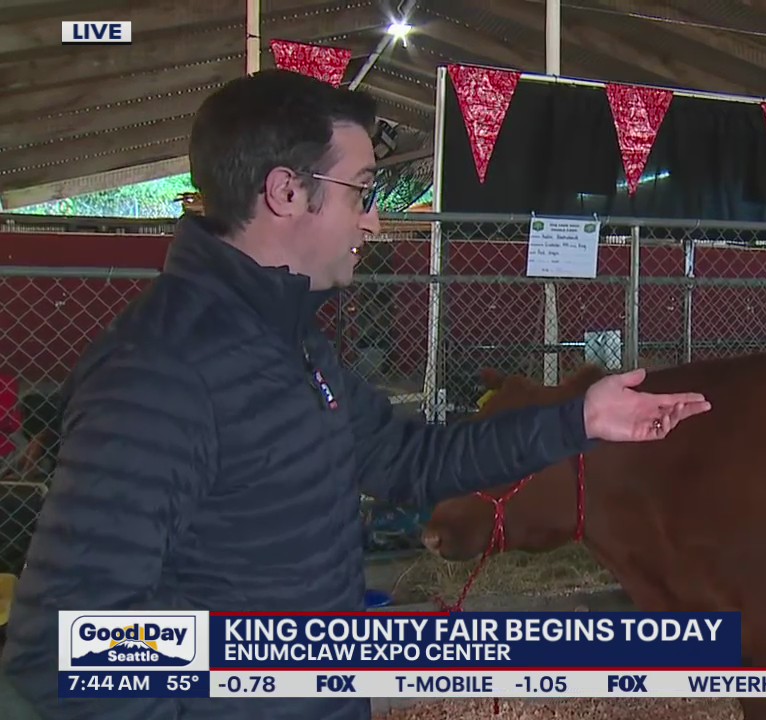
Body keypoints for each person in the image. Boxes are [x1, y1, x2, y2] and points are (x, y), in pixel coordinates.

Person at [0, 69, 710, 720]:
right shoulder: (162, 374)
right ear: (284, 192)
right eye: (363, 191)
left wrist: (579, 419)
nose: (373, 220)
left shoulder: (290, 340)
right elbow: (69, 647)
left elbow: (407, 459)